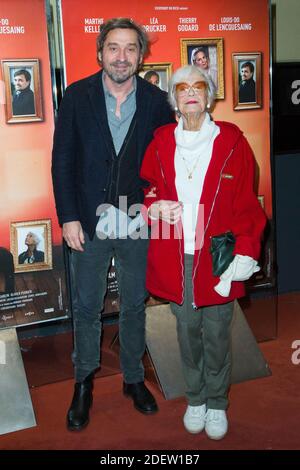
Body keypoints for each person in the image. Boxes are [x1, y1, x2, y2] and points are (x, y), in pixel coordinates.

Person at [52, 17, 175, 431]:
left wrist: (154, 204)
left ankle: (134, 379)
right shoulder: (76, 96)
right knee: (86, 307)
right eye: (113, 48)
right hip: (88, 221)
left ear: (141, 55)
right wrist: (68, 216)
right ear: (100, 52)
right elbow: (62, 161)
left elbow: (165, 164)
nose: (121, 57)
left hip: (137, 219)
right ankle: (83, 382)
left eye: (130, 49)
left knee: (135, 303)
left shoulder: (158, 101)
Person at [140, 65, 266, 440]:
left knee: (216, 335)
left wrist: (246, 249)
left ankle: (217, 403)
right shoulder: (161, 140)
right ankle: (195, 398)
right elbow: (146, 189)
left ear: (209, 96)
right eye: (182, 88)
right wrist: (153, 207)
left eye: (199, 86)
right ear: (174, 99)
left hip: (217, 258)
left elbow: (247, 204)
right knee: (186, 332)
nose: (191, 92)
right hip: (178, 259)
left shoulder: (232, 140)